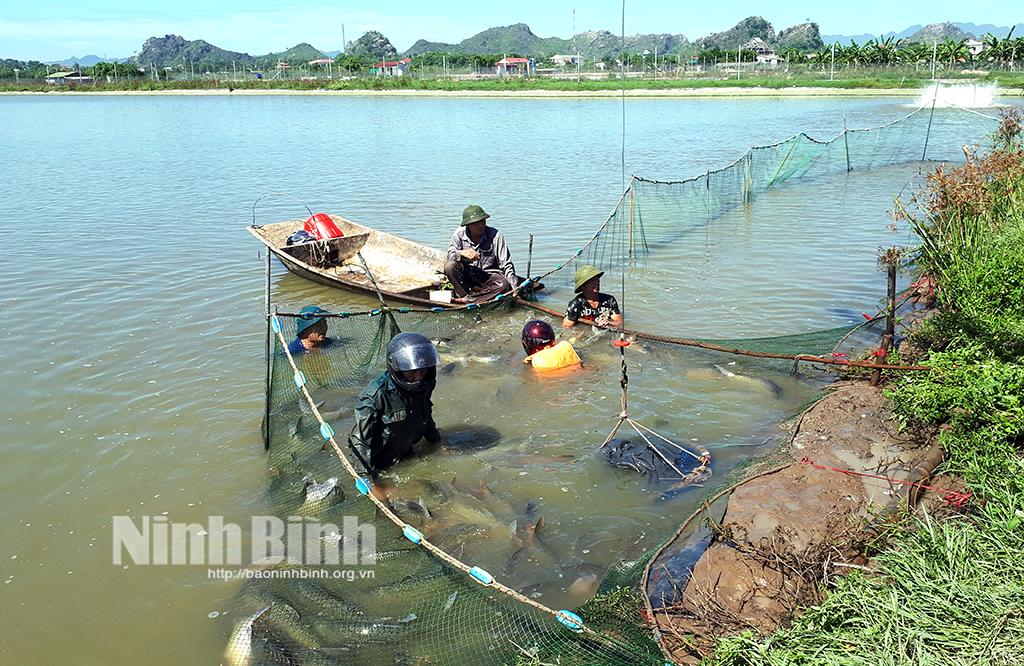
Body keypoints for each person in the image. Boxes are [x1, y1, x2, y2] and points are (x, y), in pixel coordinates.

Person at [347, 332, 442, 478]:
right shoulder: (375, 396)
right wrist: (368, 481)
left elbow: (425, 414)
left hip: (406, 453)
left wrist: (436, 443)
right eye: (411, 372)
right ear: (397, 367)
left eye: (422, 370)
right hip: (380, 462)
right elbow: (359, 442)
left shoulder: (425, 384)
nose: (418, 377)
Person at [444, 204, 517, 303]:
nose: (481, 225)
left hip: (489, 277)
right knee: (449, 266)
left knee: (504, 284)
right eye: (476, 223)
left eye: (483, 221)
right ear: (468, 225)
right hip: (468, 275)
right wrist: (461, 253)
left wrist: (514, 287)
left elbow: (506, 264)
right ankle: (465, 295)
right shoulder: (459, 234)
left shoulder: (495, 236)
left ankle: (470, 300)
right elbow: (450, 255)